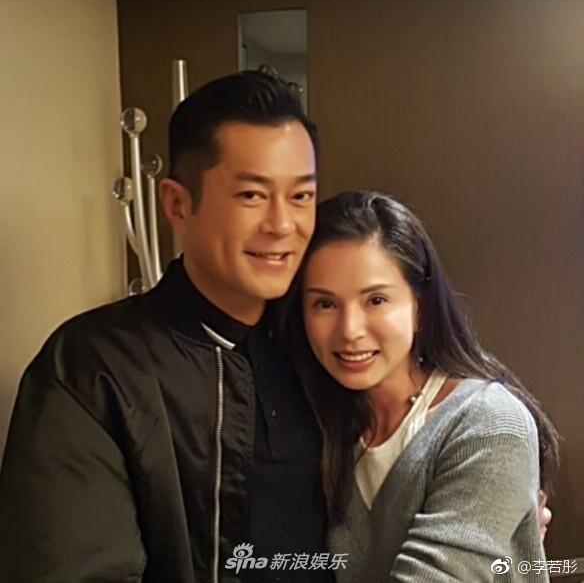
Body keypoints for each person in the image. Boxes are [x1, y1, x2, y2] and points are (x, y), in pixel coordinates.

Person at [0, 70, 333, 582]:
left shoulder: (321, 345)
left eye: (301, 196)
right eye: (251, 195)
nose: (282, 225)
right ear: (177, 204)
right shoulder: (88, 369)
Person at [281, 190, 560, 582]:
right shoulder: (322, 429)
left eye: (376, 300)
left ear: (420, 307)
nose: (349, 330)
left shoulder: (488, 424)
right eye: (325, 304)